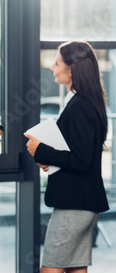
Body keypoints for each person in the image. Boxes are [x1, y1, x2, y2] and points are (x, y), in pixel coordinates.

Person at [25, 41, 109, 273]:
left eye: (56, 63)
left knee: (50, 269)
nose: (52, 67)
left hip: (74, 205)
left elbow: (82, 161)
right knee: (75, 269)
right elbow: (79, 153)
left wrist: (41, 150)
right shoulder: (87, 101)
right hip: (83, 203)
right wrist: (49, 158)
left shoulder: (80, 105)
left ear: (71, 69)